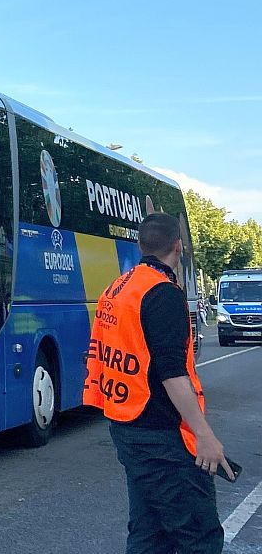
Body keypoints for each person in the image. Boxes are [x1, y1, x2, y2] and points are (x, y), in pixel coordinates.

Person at [84, 212, 231, 554]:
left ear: (140, 245)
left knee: (149, 535)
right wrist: (204, 436)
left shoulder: (118, 288)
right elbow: (172, 374)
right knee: (199, 537)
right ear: (178, 247)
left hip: (126, 423)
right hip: (161, 435)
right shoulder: (162, 293)